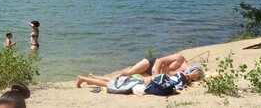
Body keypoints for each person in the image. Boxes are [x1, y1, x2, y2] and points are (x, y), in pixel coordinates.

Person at [76, 53, 204, 88]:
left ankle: (93, 77)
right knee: (128, 73)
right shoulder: (180, 59)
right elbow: (159, 61)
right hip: (151, 63)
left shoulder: (184, 74)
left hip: (154, 76)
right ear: (190, 66)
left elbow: (188, 78)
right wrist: (157, 75)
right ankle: (94, 78)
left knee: (128, 79)